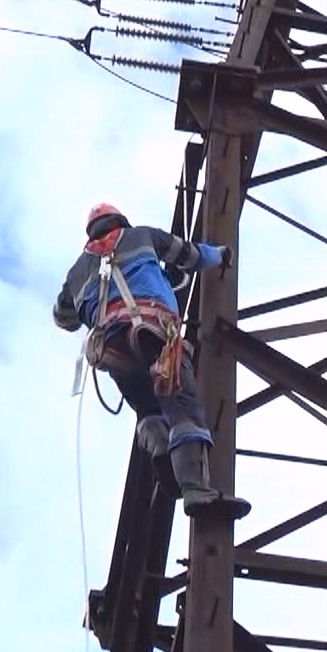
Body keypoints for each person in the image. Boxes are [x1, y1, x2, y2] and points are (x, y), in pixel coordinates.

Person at [54, 202, 251, 520]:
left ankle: (161, 454)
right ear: (121, 221)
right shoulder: (142, 237)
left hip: (112, 349)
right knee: (180, 401)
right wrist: (221, 255)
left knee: (148, 408)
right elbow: (190, 254)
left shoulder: (76, 272)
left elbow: (64, 317)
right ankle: (195, 490)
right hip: (152, 330)